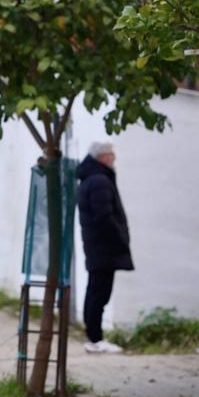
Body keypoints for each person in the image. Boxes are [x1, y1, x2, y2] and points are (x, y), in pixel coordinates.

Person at [76, 141, 132, 354]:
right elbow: (104, 217)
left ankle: (93, 336)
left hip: (97, 247)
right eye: (111, 154)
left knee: (95, 291)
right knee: (100, 292)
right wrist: (120, 238)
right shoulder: (99, 181)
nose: (114, 158)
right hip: (104, 247)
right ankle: (95, 338)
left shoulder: (92, 179)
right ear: (102, 157)